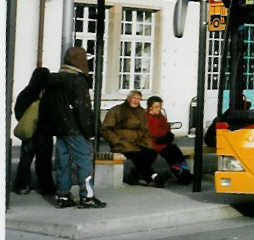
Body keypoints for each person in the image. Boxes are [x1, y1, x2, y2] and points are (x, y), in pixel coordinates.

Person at [38, 46, 106, 208]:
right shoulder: (78, 81)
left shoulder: (53, 80)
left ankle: (63, 196)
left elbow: (46, 106)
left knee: (63, 162)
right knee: (85, 162)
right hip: (75, 129)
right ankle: (87, 197)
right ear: (80, 62)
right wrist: (89, 132)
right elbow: (82, 109)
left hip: (60, 129)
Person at [101, 90, 171, 187]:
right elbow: (106, 129)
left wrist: (148, 144)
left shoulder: (141, 112)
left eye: (139, 99)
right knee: (139, 156)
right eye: (134, 98)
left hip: (138, 143)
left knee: (151, 153)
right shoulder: (117, 110)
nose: (136, 101)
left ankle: (135, 175)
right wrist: (116, 141)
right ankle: (153, 176)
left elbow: (145, 130)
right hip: (122, 143)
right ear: (128, 98)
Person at [13, 67, 54, 195]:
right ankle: (46, 186)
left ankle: (22, 185)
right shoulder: (49, 94)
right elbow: (53, 114)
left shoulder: (26, 92)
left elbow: (18, 111)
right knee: (44, 162)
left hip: (29, 132)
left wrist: (26, 121)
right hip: (44, 133)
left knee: (25, 160)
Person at [145, 96, 192, 184]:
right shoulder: (147, 117)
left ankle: (184, 172)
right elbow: (153, 133)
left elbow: (166, 127)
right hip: (153, 144)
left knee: (176, 152)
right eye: (157, 107)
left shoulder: (160, 116)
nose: (159, 109)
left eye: (160, 106)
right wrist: (166, 135)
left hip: (162, 142)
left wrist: (168, 135)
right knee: (171, 153)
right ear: (150, 107)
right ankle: (180, 174)